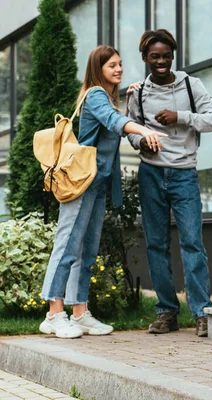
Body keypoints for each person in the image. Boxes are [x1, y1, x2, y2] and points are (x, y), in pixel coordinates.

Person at [40, 45, 166, 339]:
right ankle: (54, 313)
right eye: (112, 65)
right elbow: (115, 123)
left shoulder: (107, 98)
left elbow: (113, 120)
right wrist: (142, 130)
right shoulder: (95, 95)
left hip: (96, 185)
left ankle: (80, 313)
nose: (119, 69)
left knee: (86, 250)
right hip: (80, 185)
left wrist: (129, 98)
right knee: (68, 246)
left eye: (120, 64)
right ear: (99, 70)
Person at [126, 29, 212, 337]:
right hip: (151, 174)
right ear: (145, 58)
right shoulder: (137, 93)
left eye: (166, 56)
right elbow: (130, 130)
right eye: (155, 56)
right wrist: (141, 143)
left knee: (192, 244)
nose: (161, 61)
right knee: (156, 245)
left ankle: (201, 312)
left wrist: (181, 116)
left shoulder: (189, 84)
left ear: (173, 56)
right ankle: (167, 312)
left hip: (184, 174)